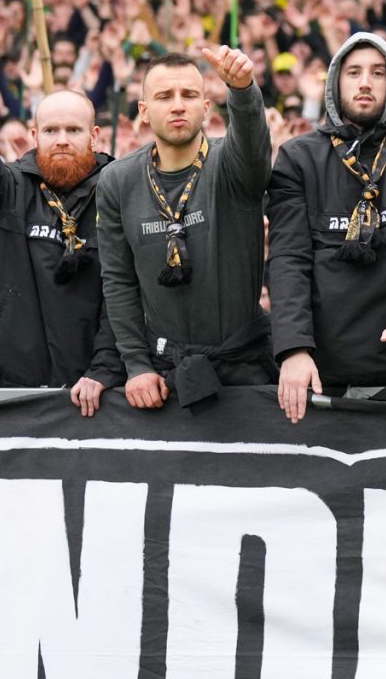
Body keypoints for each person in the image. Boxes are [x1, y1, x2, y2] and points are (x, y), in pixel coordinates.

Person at [0, 31, 123, 416]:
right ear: (34, 136)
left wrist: (104, 370)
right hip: (11, 389)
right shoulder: (8, 188)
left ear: (94, 137)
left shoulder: (119, 194)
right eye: (51, 131)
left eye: (73, 130)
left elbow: (125, 297)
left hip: (95, 393)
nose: (61, 140)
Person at [267, 32, 386, 422]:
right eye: (353, 72)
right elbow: (288, 258)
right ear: (336, 82)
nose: (365, 82)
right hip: (322, 370)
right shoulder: (297, 158)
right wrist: (293, 349)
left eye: (377, 73)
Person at [97, 45, 273, 409]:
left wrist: (243, 90)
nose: (178, 104)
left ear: (206, 108)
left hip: (245, 367)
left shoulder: (232, 164)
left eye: (189, 95)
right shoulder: (117, 180)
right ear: (143, 112)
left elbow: (255, 147)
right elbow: (118, 280)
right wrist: (136, 364)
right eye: (164, 96)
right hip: (163, 373)